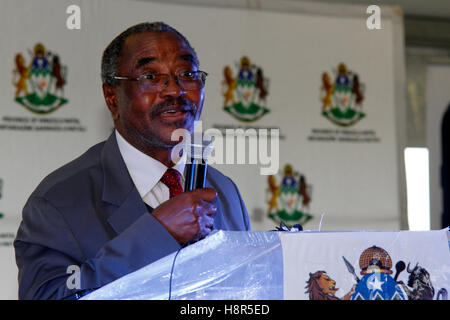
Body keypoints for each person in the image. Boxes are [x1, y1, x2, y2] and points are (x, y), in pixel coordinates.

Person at [14, 22, 250, 300]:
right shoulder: (57, 203)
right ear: (112, 97)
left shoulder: (224, 190)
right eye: (150, 76)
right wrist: (156, 234)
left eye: (187, 74)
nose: (175, 90)